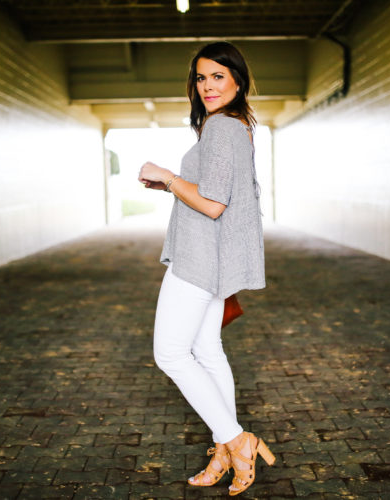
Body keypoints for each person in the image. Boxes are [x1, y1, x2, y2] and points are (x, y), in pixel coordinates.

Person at [138, 41, 275, 496]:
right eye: (201, 77)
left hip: (198, 259)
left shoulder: (221, 128)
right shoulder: (236, 126)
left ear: (238, 80)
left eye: (219, 76)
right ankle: (224, 446)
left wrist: (168, 174)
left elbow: (214, 205)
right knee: (208, 350)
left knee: (171, 354)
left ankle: (238, 441)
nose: (209, 85)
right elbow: (218, 195)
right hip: (212, 259)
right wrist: (171, 186)